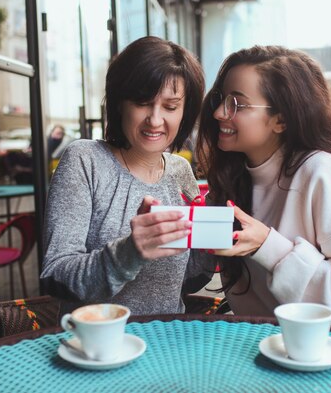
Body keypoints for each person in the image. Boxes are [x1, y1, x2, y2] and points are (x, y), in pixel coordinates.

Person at [195, 45, 331, 344]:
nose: (220, 112)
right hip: (285, 354)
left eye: (237, 103)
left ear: (281, 120)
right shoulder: (235, 180)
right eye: (221, 99)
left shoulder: (325, 174)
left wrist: (267, 245)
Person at [41, 36, 211, 315]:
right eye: (143, 102)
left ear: (185, 112)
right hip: (97, 348)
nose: (155, 120)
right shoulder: (85, 160)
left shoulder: (180, 172)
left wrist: (214, 244)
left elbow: (186, 280)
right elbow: (56, 277)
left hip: (166, 345)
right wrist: (131, 251)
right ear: (120, 103)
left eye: (170, 107)